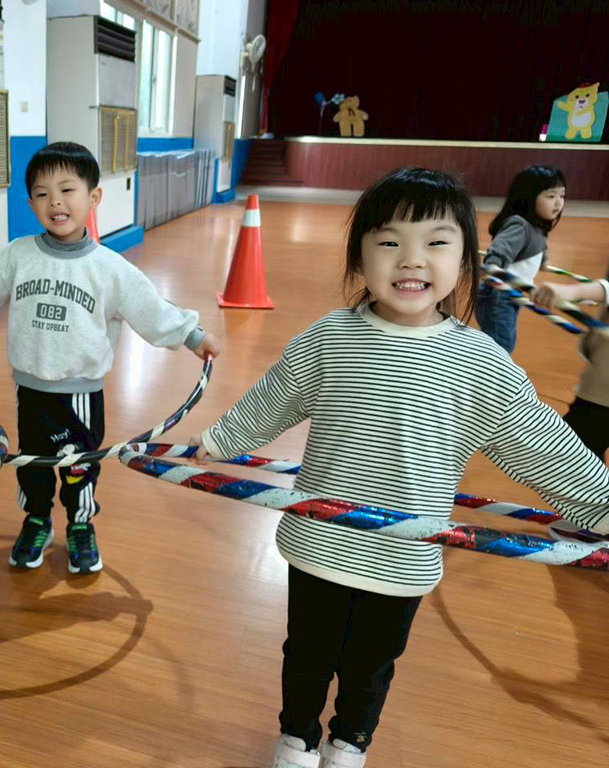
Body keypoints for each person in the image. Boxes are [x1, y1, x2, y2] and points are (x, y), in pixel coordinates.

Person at [193, 168, 609, 768]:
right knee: (306, 654)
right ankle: (297, 737)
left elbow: (543, 446)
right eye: (389, 241)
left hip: (404, 555)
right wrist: (218, 441)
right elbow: (273, 400)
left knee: (372, 665)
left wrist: (601, 506)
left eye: (436, 243)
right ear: (359, 256)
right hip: (320, 542)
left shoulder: (481, 362)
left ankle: (349, 743)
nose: (412, 260)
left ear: (465, 261)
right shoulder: (330, 337)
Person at [0, 141, 221, 574]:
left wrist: (192, 336)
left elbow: (150, 308)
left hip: (80, 394)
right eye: (42, 194)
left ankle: (81, 525)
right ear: (30, 203)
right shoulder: (16, 256)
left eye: (67, 190)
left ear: (93, 197)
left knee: (79, 467)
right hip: (30, 389)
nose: (56, 202)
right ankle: (36, 520)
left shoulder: (109, 268)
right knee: (33, 465)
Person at [476, 164, 566, 352]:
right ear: (528, 198)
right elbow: (498, 252)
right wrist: (492, 267)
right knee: (501, 347)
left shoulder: (537, 227)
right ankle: (488, 369)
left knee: (502, 342)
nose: (558, 203)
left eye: (562, 196)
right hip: (498, 295)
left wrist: (543, 262)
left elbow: (538, 246)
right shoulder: (519, 226)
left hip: (511, 295)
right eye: (551, 196)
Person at [533, 270, 609, 461]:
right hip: (597, 394)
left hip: (599, 401)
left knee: (571, 457)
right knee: (578, 458)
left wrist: (568, 292)